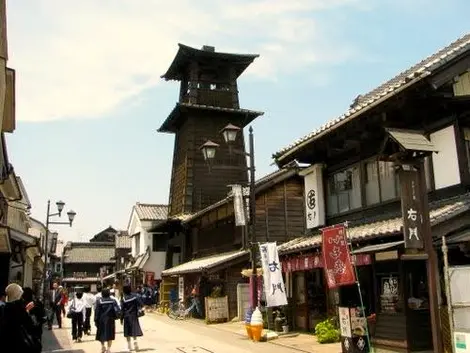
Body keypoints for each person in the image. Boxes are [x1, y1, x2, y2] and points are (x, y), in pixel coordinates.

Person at [0, 283, 42, 353]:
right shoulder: (17, 307)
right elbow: (28, 325)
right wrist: (27, 311)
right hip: (19, 343)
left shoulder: (5, 307)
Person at [95, 288, 120, 353]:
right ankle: (108, 349)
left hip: (101, 320)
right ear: (109, 293)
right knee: (110, 335)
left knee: (101, 334)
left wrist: (96, 320)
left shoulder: (99, 301)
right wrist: (116, 317)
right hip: (110, 320)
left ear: (102, 294)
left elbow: (97, 312)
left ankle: (103, 346)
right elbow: (117, 310)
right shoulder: (113, 301)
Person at [120, 285, 143, 352]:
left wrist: (121, 318)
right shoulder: (135, 297)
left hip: (126, 316)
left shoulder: (124, 299)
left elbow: (122, 310)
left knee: (127, 332)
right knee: (134, 330)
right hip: (134, 315)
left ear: (124, 291)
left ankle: (129, 346)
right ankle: (135, 342)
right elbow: (141, 304)